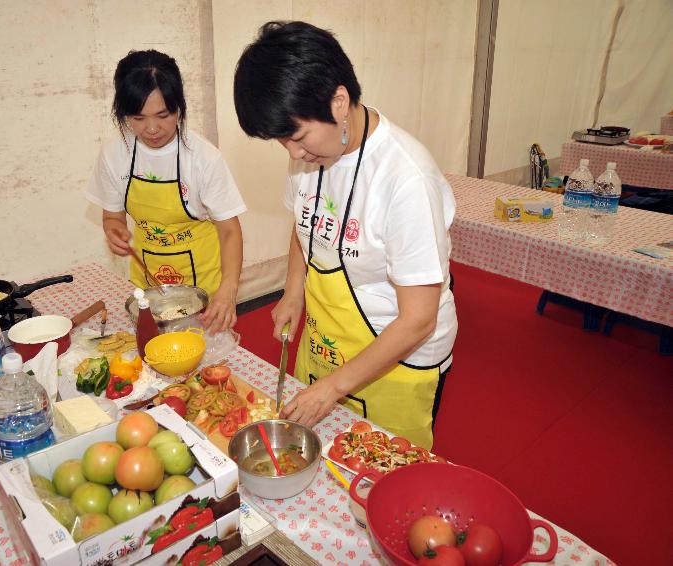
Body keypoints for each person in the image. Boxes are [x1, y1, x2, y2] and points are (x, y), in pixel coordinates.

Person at [233, 22, 457, 450]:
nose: (294, 154)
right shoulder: (311, 154)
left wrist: (333, 388)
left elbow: (418, 319)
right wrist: (293, 291)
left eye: (296, 137)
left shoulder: (405, 177)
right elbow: (303, 227)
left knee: (381, 473)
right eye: (283, 142)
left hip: (398, 359)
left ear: (338, 101)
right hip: (328, 343)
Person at [86, 50, 245, 333]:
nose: (152, 129)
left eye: (163, 115)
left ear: (179, 107)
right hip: (145, 289)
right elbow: (112, 218)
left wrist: (228, 290)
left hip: (203, 289)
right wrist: (114, 231)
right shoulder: (115, 153)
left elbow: (230, 230)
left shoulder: (203, 158)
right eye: (138, 118)